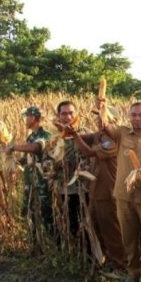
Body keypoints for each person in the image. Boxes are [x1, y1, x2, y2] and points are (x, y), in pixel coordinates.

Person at [97, 99, 141, 282]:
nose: (137, 118)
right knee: (129, 237)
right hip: (125, 196)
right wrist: (101, 106)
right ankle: (134, 273)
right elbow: (104, 125)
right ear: (128, 117)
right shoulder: (122, 134)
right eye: (134, 115)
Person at [73, 116, 125, 270]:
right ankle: (105, 258)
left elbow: (89, 152)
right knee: (96, 226)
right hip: (95, 192)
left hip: (107, 192)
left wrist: (74, 135)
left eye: (104, 119)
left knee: (111, 229)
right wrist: (68, 131)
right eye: (98, 118)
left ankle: (120, 263)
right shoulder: (98, 135)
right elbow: (81, 138)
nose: (100, 121)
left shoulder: (112, 143)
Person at [5, 106, 53, 237]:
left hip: (42, 181)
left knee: (46, 211)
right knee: (30, 210)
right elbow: (28, 158)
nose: (25, 120)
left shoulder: (46, 135)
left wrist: (14, 147)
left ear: (33, 118)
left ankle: (53, 240)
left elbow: (36, 148)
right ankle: (34, 239)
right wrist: (13, 164)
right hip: (30, 181)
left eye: (27, 117)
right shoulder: (31, 137)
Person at [50, 101, 91, 246]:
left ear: (77, 114)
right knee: (69, 220)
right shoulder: (54, 138)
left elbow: (92, 156)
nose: (68, 116)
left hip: (83, 187)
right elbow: (47, 162)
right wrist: (55, 165)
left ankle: (88, 251)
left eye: (71, 113)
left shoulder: (86, 133)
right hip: (63, 187)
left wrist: (82, 165)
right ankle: (71, 250)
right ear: (58, 116)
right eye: (64, 113)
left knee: (86, 222)